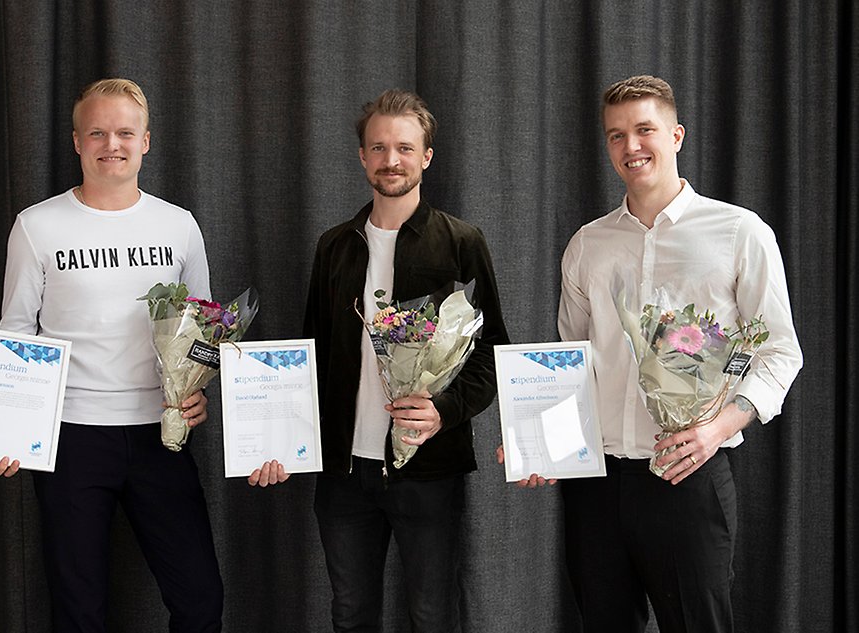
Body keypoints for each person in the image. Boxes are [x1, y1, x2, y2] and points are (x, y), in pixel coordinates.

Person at [501, 75, 803, 632]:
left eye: (645, 130)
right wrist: (538, 442)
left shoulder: (739, 232)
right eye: (616, 136)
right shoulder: (587, 244)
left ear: (677, 135)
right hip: (596, 487)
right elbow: (573, 365)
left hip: (688, 475)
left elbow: (776, 353)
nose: (631, 147)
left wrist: (715, 429)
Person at [0, 78, 224, 633]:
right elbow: (15, 333)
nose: (113, 143)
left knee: (201, 599)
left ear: (147, 141)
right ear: (77, 142)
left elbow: (203, 326)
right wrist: (5, 429)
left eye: (125, 132)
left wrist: (197, 391)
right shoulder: (36, 226)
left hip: (160, 435)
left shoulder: (178, 224)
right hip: (70, 438)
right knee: (78, 610)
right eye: (98, 132)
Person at [299, 89, 509, 632]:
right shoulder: (333, 247)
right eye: (379, 148)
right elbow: (308, 359)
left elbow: (491, 358)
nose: (391, 160)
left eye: (404, 148)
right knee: (350, 614)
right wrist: (278, 440)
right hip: (344, 474)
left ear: (426, 156)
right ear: (362, 157)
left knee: (432, 616)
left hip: (429, 470)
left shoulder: (461, 242)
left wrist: (444, 410)